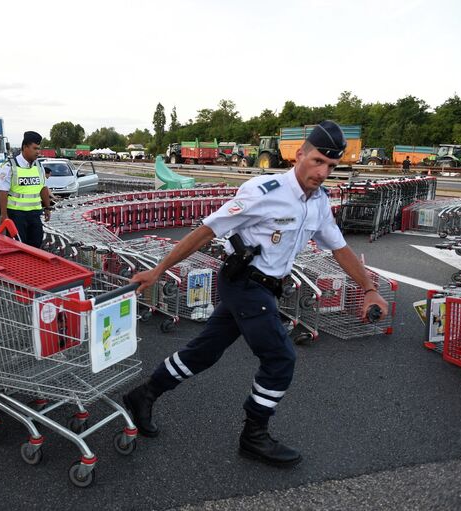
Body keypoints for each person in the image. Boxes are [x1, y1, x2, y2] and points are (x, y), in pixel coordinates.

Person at [122, 121, 389, 467]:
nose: (323, 172)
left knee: (204, 352)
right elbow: (207, 231)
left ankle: (143, 395)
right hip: (244, 284)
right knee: (280, 359)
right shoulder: (264, 190)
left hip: (266, 289)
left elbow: (339, 249)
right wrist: (159, 270)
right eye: (318, 161)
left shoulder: (319, 202)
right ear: (300, 154)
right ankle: (254, 435)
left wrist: (368, 288)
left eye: (332, 166)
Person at [0, 131, 51, 248]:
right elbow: (3, 192)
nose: (38, 152)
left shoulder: (39, 166)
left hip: (35, 215)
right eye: (35, 148)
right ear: (25, 147)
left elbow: (43, 188)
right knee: (18, 247)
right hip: (16, 215)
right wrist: (4, 216)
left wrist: (47, 207)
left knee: (36, 246)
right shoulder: (9, 166)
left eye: (39, 149)